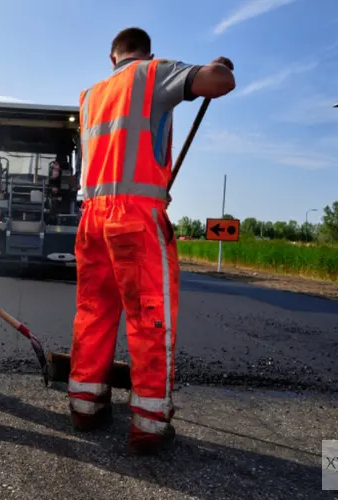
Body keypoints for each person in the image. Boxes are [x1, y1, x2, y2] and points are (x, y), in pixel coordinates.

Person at [69, 27, 235, 455]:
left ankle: (84, 405)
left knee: (94, 312)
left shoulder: (90, 96)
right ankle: (149, 423)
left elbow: (121, 152)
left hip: (91, 218)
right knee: (150, 317)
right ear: (147, 53)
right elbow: (220, 82)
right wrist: (219, 67)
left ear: (111, 58)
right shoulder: (153, 73)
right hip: (134, 219)